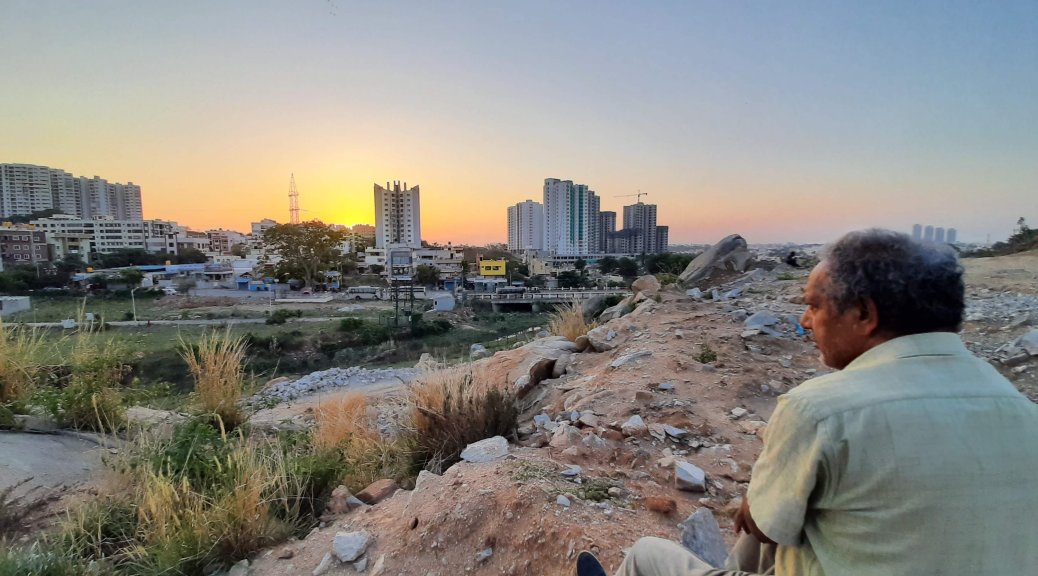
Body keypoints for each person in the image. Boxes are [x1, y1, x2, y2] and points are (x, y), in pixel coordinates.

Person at [581, 229, 1038, 576]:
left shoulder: (821, 409)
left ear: (864, 313)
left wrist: (757, 506)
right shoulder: (1023, 411)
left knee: (645, 554)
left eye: (815, 305)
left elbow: (759, 524)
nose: (804, 320)